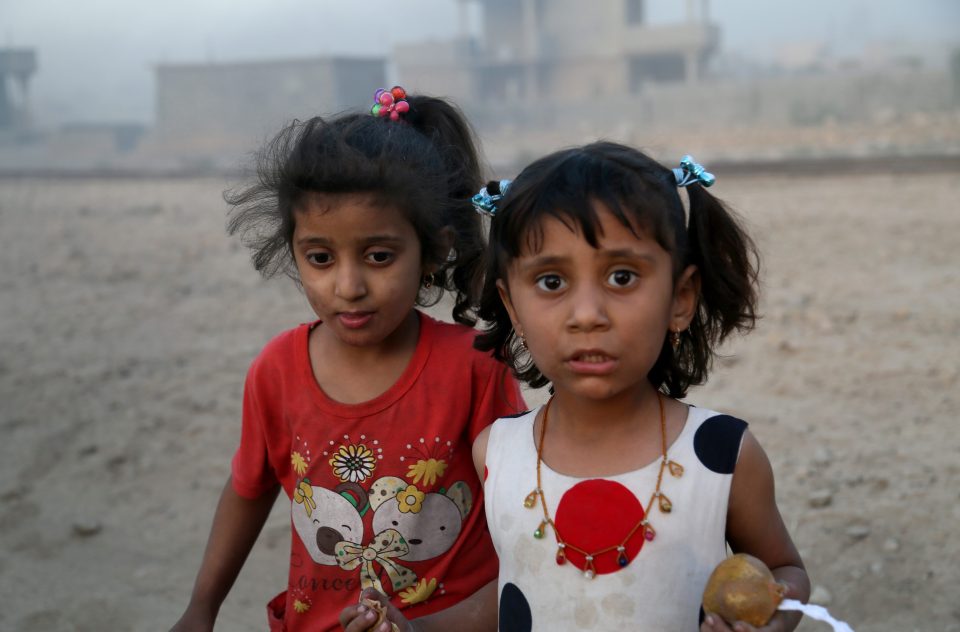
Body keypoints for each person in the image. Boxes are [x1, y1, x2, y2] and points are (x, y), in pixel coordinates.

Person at [340, 142, 809, 632]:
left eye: (622, 276)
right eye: (551, 282)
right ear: (513, 307)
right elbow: (513, 590)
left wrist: (774, 616)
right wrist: (413, 628)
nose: (587, 314)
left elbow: (784, 572)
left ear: (681, 298)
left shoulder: (722, 456)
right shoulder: (496, 453)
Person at [171, 86, 524, 632]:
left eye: (379, 256)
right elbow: (249, 487)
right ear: (293, 252)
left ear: (431, 251)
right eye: (320, 257)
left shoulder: (475, 368)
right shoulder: (277, 370)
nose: (349, 285)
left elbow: (523, 524)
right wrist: (202, 607)